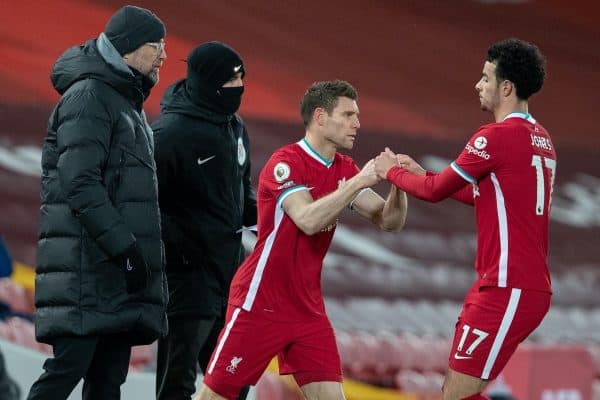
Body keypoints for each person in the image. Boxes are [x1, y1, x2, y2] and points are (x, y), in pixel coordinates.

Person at [193, 80, 408, 400]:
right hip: (260, 303)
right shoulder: (285, 163)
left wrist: (397, 182)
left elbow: (389, 221)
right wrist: (360, 179)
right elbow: (307, 220)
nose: (357, 124)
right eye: (348, 115)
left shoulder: (342, 169)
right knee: (215, 397)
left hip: (306, 309)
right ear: (320, 117)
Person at [373, 38, 554, 400]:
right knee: (459, 392)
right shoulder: (542, 138)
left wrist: (391, 172)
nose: (478, 85)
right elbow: (481, 196)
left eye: (485, 78)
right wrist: (422, 173)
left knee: (456, 394)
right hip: (516, 285)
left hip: (507, 286)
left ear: (506, 87)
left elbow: (436, 190)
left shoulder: (496, 137)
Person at [28, 5, 168, 400]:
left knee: (107, 382)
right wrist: (124, 247)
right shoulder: (90, 96)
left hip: (113, 274)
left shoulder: (127, 104)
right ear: (126, 50)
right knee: (66, 372)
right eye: (155, 45)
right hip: (86, 270)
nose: (163, 56)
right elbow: (81, 183)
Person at [152, 41, 256, 400]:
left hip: (230, 277)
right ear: (208, 82)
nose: (239, 87)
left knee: (231, 380)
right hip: (188, 280)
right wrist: (180, 250)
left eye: (242, 78)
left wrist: (284, 210)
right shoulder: (169, 135)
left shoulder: (235, 128)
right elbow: (144, 204)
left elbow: (243, 197)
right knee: (176, 383)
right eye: (231, 80)